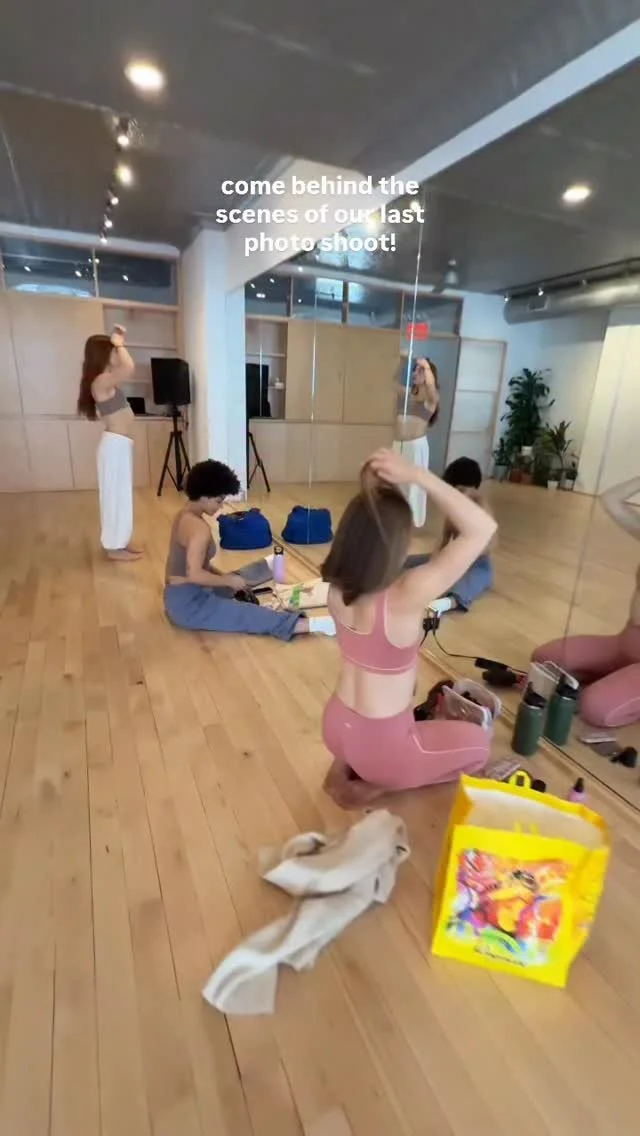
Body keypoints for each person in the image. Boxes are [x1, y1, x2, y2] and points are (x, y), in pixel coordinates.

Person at [320, 448, 497, 807]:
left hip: (335, 727)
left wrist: (378, 487)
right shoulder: (403, 596)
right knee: (480, 745)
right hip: (382, 747)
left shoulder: (336, 590)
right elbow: (482, 528)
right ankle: (381, 783)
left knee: (391, 735)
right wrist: (418, 475)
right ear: (393, 547)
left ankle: (347, 767)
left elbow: (370, 518)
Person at [163, 459, 336, 640]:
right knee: (245, 614)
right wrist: (228, 581)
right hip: (189, 604)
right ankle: (314, 625)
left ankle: (270, 566)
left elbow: (196, 567)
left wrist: (227, 579)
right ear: (204, 496)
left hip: (188, 592)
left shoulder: (184, 514)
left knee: (238, 578)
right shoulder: (198, 529)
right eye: (219, 500)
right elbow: (194, 574)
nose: (221, 506)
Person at [532, 476, 640, 728]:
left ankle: (618, 688)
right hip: (624, 646)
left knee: (594, 708)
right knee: (545, 659)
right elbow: (610, 499)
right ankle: (618, 679)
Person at [77, 324, 140, 561]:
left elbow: (125, 367)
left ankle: (120, 541)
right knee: (114, 497)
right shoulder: (100, 381)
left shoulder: (106, 381)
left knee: (121, 497)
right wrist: (119, 342)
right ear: (104, 354)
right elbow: (129, 367)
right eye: (113, 351)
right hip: (114, 447)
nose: (117, 354)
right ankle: (113, 547)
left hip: (119, 446)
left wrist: (118, 344)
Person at [403, 456, 496, 614]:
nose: (457, 495)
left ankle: (448, 602)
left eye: (461, 490)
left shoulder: (481, 508)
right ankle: (387, 565)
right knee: (412, 561)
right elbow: (444, 540)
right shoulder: (454, 509)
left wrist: (462, 557)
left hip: (478, 563)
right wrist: (434, 567)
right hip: (454, 556)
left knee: (474, 580)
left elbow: (491, 543)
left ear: (474, 488)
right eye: (453, 491)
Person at [392, 356, 439, 528]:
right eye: (415, 370)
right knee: (396, 483)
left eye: (419, 371)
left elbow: (431, 387)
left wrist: (426, 367)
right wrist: (402, 362)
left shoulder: (431, 400)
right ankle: (396, 518)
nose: (415, 373)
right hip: (399, 445)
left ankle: (411, 522)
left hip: (415, 446)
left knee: (414, 486)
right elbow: (393, 383)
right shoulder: (406, 395)